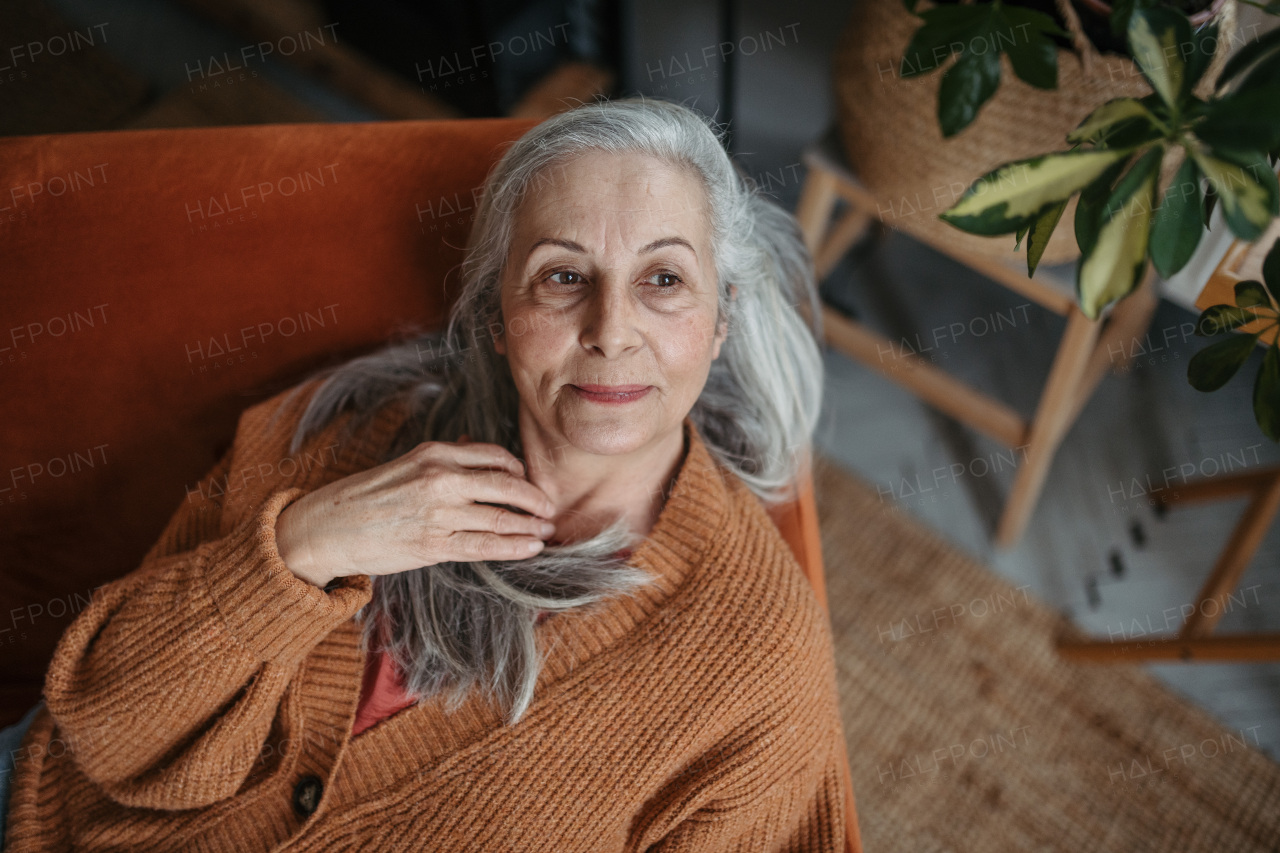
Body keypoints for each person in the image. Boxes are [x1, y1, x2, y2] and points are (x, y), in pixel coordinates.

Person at [3, 98, 854, 852]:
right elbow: (106, 731)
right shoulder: (355, 424)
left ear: (719, 321)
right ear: (494, 316)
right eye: (563, 276)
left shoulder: (759, 661)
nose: (611, 329)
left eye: (664, 280)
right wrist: (300, 547)